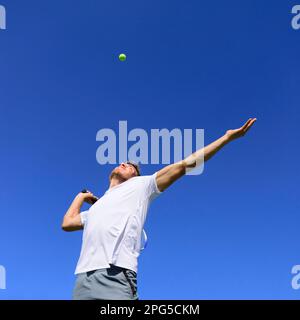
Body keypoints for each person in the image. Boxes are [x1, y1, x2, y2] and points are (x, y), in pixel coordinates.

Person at [61, 118, 257, 300]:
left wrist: (227, 138)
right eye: (123, 162)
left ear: (136, 177)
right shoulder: (96, 208)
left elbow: (184, 165)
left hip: (116, 275)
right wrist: (81, 196)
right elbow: (68, 223)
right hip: (82, 279)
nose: (124, 164)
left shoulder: (140, 187)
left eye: (131, 167)